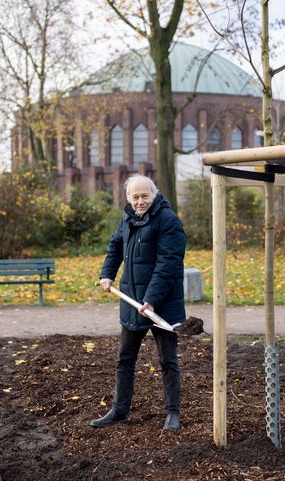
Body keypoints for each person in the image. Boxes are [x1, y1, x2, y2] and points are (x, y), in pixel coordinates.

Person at [90, 175, 186, 430]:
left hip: (162, 304)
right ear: (129, 198)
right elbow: (115, 245)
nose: (140, 201)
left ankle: (172, 414)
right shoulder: (128, 218)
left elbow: (168, 265)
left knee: (168, 360)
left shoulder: (168, 221)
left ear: (154, 195)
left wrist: (152, 301)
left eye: (145, 196)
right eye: (135, 197)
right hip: (132, 301)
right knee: (125, 358)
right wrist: (107, 274)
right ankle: (119, 411)